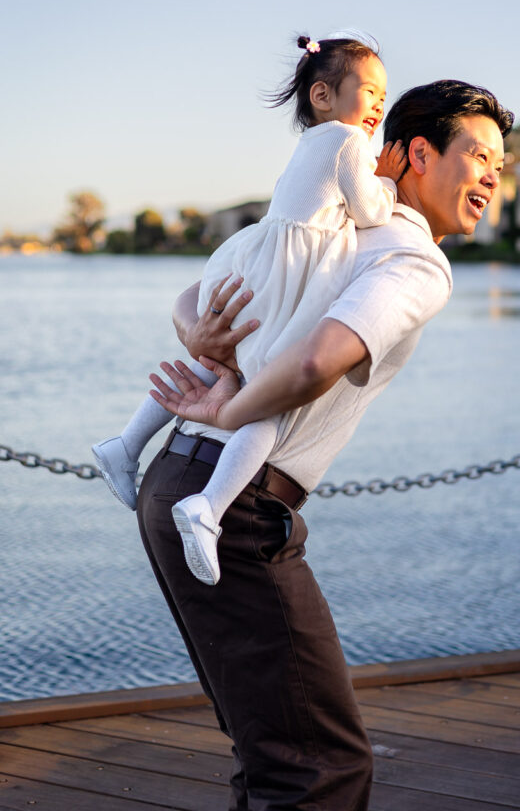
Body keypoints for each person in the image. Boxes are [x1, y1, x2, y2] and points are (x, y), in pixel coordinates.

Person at [139, 78, 513, 811]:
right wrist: (233, 404)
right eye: (478, 155)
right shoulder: (413, 261)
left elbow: (194, 295)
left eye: (501, 164)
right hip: (235, 506)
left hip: (175, 480)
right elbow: (316, 362)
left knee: (271, 752)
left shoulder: (328, 223)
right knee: (320, 768)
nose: (494, 176)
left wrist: (197, 335)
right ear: (413, 153)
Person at [92, 34, 406, 585]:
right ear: (323, 95)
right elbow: (370, 210)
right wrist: (388, 182)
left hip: (260, 266)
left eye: (384, 94)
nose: (379, 104)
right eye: (370, 91)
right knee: (268, 399)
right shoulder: (349, 145)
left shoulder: (310, 145)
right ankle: (208, 507)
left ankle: (126, 443)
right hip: (293, 278)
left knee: (220, 362)